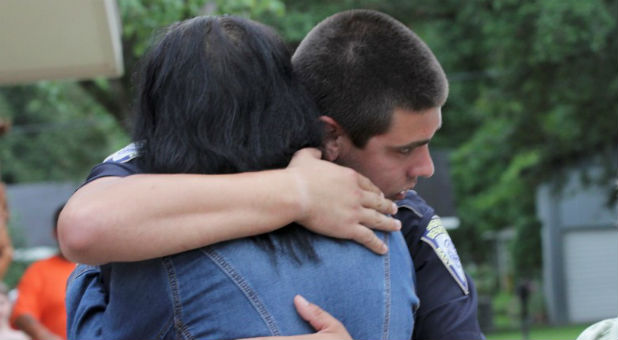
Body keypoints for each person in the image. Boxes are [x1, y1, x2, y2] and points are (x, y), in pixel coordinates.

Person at [60, 9, 483, 340]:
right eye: (404, 149)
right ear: (328, 133)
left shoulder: (404, 217)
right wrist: (298, 192)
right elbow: (86, 226)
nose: (425, 167)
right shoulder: (390, 231)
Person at [10, 205, 75, 340]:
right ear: (55, 233)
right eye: (66, 230)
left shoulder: (102, 267)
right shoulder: (39, 270)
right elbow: (22, 314)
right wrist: (45, 336)